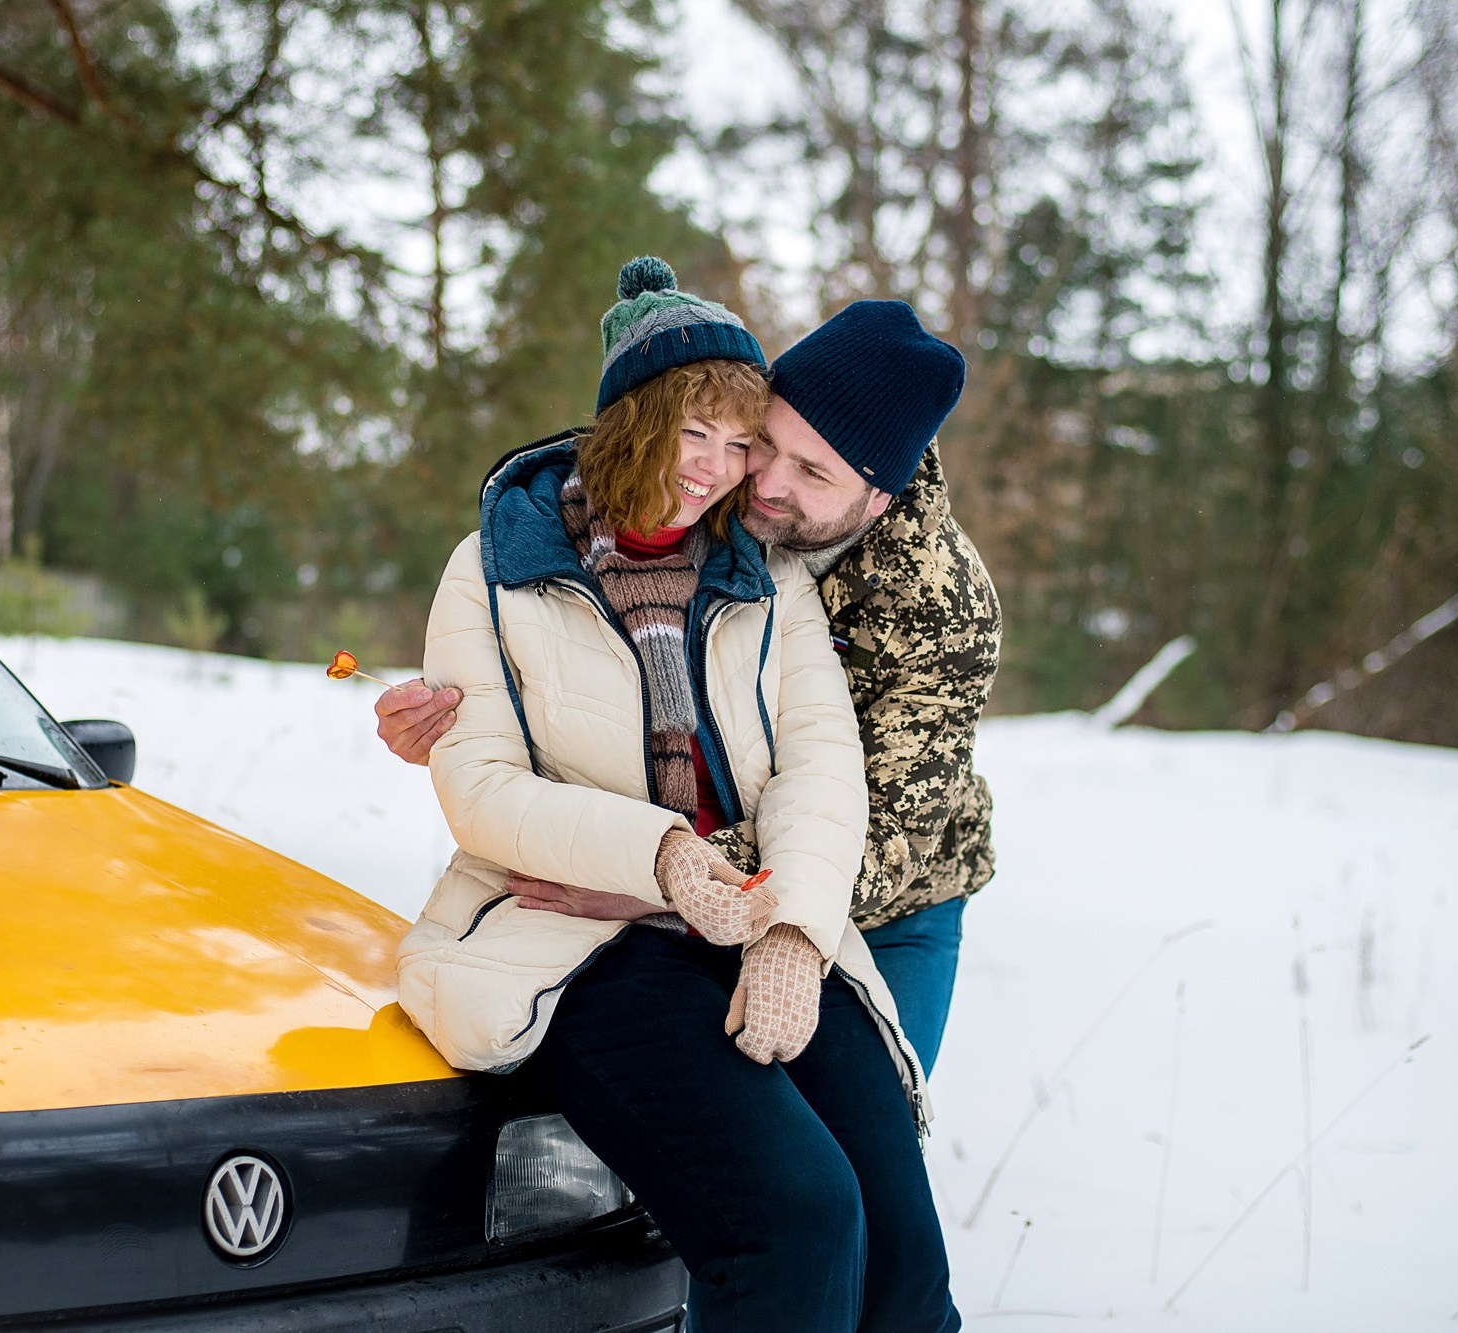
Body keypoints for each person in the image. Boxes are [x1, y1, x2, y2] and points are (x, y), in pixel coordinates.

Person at [394, 257, 960, 1331]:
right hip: (584, 941)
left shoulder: (763, 572)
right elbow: (479, 787)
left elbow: (821, 767)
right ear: (626, 423)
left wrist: (792, 927)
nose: (716, 469)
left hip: (757, 917)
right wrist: (661, 857)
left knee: (902, 1257)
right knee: (796, 1217)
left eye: (738, 440)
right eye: (690, 433)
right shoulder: (493, 567)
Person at [379, 298, 1001, 1078]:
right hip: (703, 870)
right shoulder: (721, 483)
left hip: (890, 892)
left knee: (864, 1119)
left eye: (810, 474)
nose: (764, 481)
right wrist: (466, 715)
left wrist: (665, 882)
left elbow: (882, 825)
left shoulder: (942, 606)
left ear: (877, 498)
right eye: (762, 442)